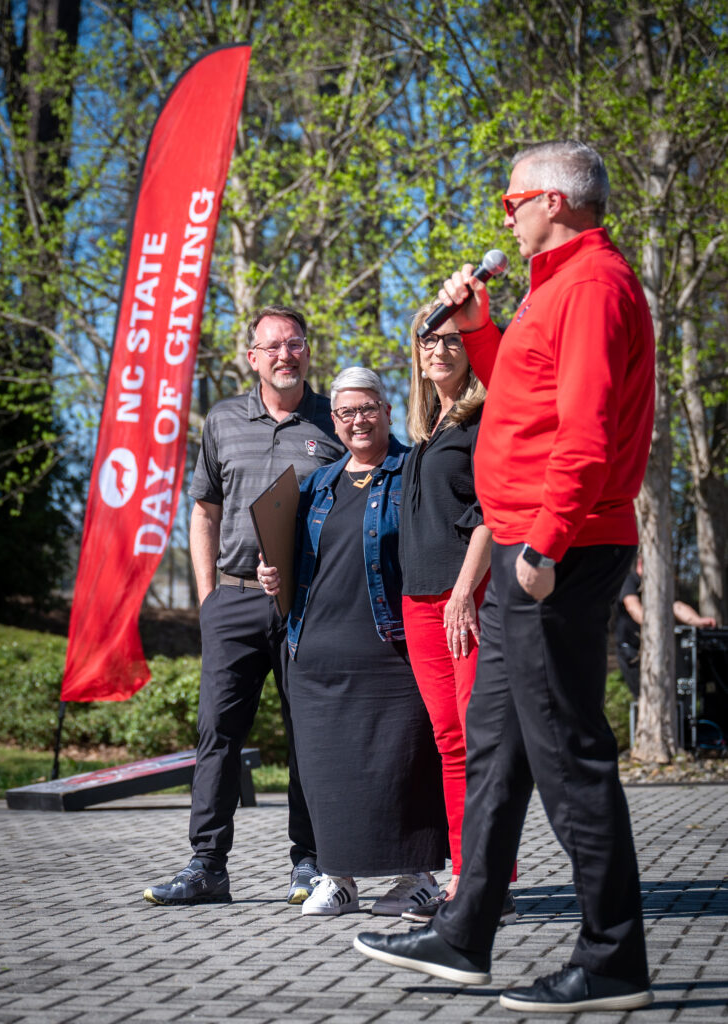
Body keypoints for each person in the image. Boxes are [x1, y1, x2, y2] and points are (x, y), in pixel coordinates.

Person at [355, 140, 657, 1013]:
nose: (505, 216)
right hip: (534, 549)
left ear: (554, 202)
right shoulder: (550, 292)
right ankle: (465, 930)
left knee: (569, 755)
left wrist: (547, 547)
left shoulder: (594, 287)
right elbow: (526, 399)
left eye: (511, 199)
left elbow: (588, 432)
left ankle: (614, 958)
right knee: (493, 753)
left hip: (554, 553)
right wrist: (481, 325)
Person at [143, 305, 345, 907]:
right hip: (232, 600)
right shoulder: (224, 421)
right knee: (217, 736)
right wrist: (208, 599)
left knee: (308, 735)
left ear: (308, 351)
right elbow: (203, 509)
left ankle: (309, 865)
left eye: (297, 343)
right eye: (274, 346)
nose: (287, 354)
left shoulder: (334, 420)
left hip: (307, 605)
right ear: (252, 357)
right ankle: (207, 866)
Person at [258, 367, 448, 917]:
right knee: (326, 769)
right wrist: (276, 579)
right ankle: (337, 877)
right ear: (335, 422)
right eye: (346, 412)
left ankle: (417, 878)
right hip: (315, 651)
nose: (358, 420)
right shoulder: (317, 483)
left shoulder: (413, 471)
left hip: (391, 646)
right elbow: (298, 565)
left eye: (368, 408)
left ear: (388, 411)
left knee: (403, 766)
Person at [398, 304, 516, 924]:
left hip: (465, 597)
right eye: (428, 340)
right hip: (418, 601)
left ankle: (487, 883)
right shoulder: (429, 427)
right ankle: (464, 878)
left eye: (450, 339)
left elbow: (494, 510)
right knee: (449, 742)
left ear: (469, 348)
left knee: (476, 741)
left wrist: (466, 590)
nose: (438, 349)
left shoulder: (486, 415)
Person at [616, 555, 717, 697]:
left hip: (656, 650)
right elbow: (633, 607)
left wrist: (698, 621)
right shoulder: (631, 581)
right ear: (641, 564)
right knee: (643, 696)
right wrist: (654, 625)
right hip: (631, 650)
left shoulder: (658, 586)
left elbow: (676, 607)